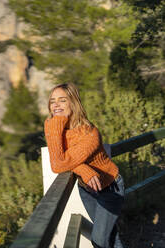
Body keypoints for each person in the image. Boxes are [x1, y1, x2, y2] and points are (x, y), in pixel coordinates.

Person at [43, 83, 125, 248]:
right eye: (52, 101)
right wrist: (83, 169)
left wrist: (75, 165)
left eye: (62, 100)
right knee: (111, 238)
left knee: (99, 240)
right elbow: (59, 162)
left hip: (110, 188)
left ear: (73, 103)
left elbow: (60, 163)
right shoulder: (54, 127)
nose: (56, 105)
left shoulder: (89, 133)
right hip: (86, 188)